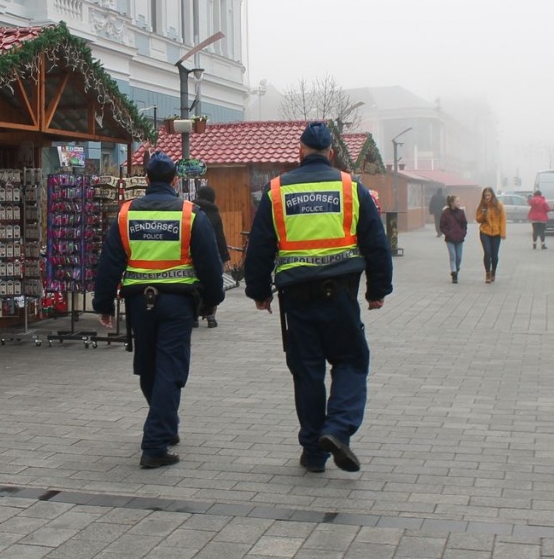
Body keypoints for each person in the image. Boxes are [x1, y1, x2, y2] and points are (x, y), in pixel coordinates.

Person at [244, 121, 393, 474]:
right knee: (352, 362)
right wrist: (377, 290)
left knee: (307, 371)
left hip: (296, 297)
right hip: (340, 295)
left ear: (300, 150)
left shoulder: (276, 190)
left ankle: (313, 452)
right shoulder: (350, 187)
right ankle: (338, 429)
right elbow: (376, 241)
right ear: (331, 152)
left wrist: (259, 292)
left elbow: (261, 246)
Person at [93, 151, 225, 469]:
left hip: (140, 303)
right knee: (171, 370)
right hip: (177, 304)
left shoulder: (126, 215)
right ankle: (154, 444)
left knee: (148, 367)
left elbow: (110, 262)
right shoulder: (190, 214)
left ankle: (164, 423)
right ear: (175, 181)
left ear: (147, 180)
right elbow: (209, 263)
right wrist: (213, 299)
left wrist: (103, 303)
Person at [192, 184, 230, 328]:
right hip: (213, 255)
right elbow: (220, 237)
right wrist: (225, 257)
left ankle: (194, 316)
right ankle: (211, 316)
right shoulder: (215, 214)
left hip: (193, 255)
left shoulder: (192, 212)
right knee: (213, 283)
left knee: (195, 285)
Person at [475, 187, 506, 283]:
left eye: (489, 195)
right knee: (487, 253)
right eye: (485, 196)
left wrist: (503, 233)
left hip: (496, 233)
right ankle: (487, 273)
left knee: (494, 255)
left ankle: (494, 271)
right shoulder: (482, 206)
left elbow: (503, 219)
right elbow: (478, 219)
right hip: (485, 232)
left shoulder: (499, 205)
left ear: (492, 195)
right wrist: (483, 214)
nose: (487, 197)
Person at [439, 194, 468, 283]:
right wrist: (448, 233)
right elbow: (442, 225)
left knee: (458, 257)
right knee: (453, 256)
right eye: (457, 201)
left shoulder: (461, 212)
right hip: (450, 239)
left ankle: (456, 268)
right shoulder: (445, 213)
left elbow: (464, 224)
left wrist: (463, 233)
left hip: (459, 238)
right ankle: (454, 273)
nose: (459, 203)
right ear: (452, 202)